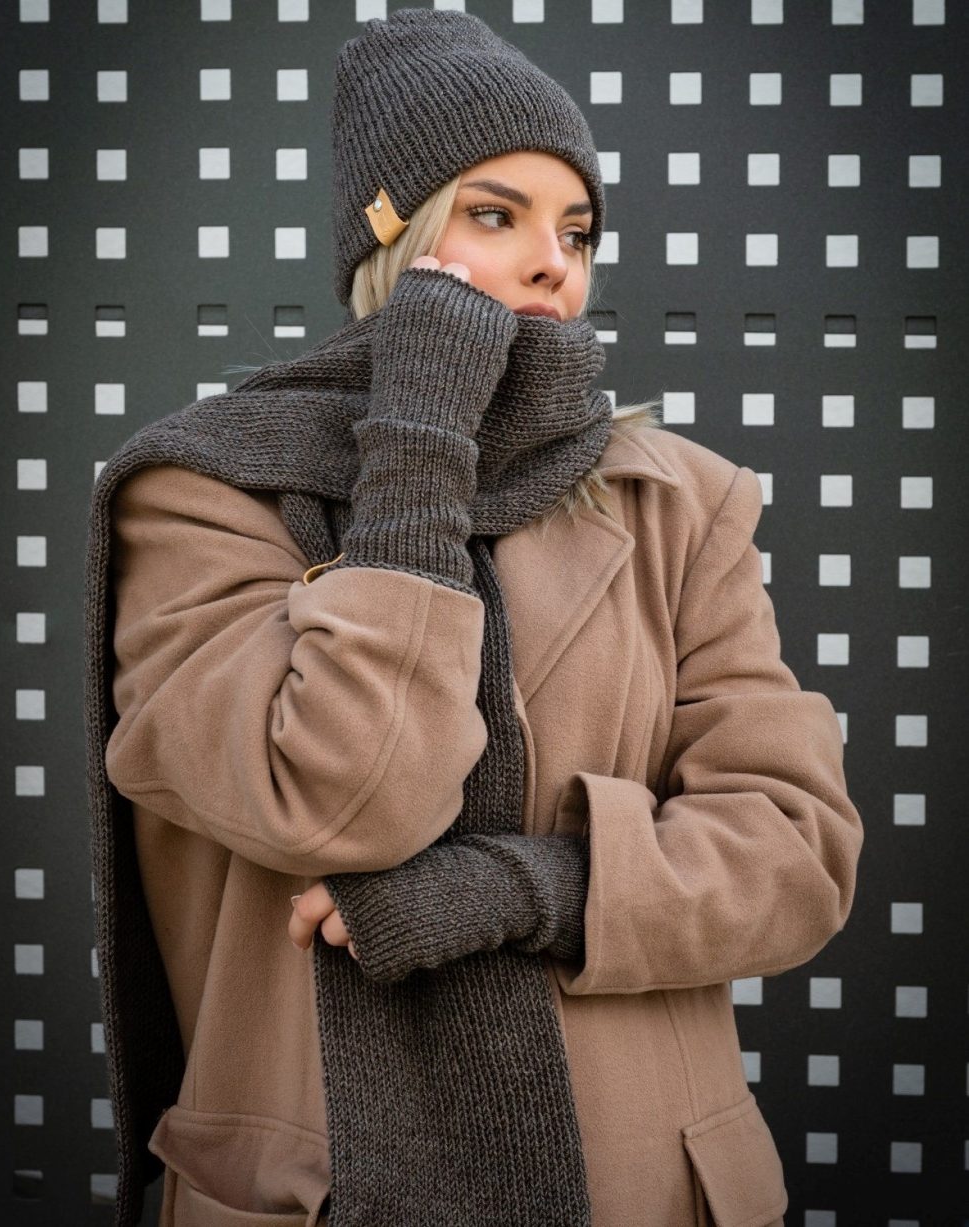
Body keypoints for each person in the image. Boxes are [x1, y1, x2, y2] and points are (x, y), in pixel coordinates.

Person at [83, 9, 864, 1227]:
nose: (554, 262)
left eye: (576, 229)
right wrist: (419, 436)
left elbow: (792, 854)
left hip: (638, 1190)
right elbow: (345, 798)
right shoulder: (201, 495)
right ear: (390, 239)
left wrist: (524, 889)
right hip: (320, 1187)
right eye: (493, 215)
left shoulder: (679, 501)